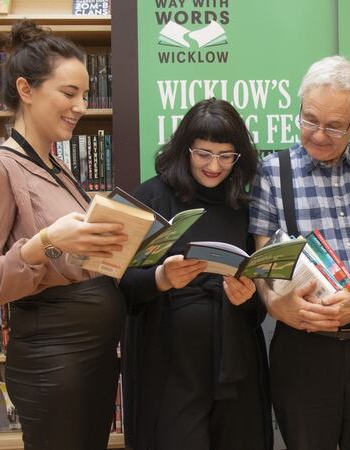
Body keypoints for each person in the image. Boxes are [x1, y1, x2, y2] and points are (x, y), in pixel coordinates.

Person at [0, 20, 128, 449]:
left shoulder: (58, 167)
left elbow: (73, 256)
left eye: (86, 95)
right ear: (26, 90)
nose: (81, 106)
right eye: (69, 93)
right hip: (53, 361)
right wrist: (47, 242)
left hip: (93, 356)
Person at [249, 55, 350, 450]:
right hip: (302, 351)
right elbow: (263, 265)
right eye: (309, 120)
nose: (319, 135)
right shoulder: (271, 173)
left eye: (334, 126)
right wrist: (274, 304)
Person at [119, 98, 271, 450]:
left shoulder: (244, 206)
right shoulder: (152, 196)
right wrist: (161, 278)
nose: (214, 166)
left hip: (235, 365)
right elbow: (122, 286)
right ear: (184, 149)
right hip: (171, 367)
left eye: (225, 156)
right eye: (203, 154)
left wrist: (248, 297)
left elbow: (259, 303)